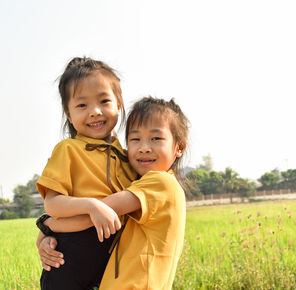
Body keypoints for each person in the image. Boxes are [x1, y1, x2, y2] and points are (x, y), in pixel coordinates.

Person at [38, 96, 189, 289]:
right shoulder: (143, 185)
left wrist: (47, 226)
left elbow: (98, 212)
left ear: (180, 147)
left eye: (156, 138)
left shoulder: (160, 182)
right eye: (135, 139)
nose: (144, 148)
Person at [35, 56, 138, 290]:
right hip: (68, 265)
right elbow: (53, 204)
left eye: (104, 101)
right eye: (82, 105)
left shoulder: (127, 156)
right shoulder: (68, 150)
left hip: (111, 266)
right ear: (69, 114)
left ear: (119, 105)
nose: (95, 112)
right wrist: (92, 206)